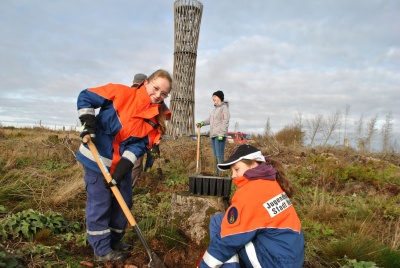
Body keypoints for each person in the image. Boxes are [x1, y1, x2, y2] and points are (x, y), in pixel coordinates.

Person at [76, 69, 172, 262]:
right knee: (100, 203)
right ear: (146, 83)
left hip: (121, 164)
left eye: (163, 94)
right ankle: (102, 251)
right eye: (156, 89)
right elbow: (85, 96)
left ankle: (113, 240)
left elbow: (139, 145)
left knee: (124, 202)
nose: (158, 95)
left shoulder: (155, 118)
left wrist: (124, 166)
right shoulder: (120, 93)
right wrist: (88, 122)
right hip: (98, 159)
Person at [199, 144, 304, 268]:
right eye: (231, 170)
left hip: (275, 263)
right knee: (220, 221)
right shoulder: (270, 183)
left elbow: (227, 240)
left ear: (254, 165)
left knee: (226, 233)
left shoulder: (250, 193)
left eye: (237, 169)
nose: (233, 175)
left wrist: (204, 266)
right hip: (290, 259)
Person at [131, 73, 171, 188]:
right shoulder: (133, 95)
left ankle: (141, 177)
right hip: (140, 136)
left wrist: (157, 137)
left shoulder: (156, 101)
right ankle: (130, 187)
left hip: (145, 136)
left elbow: (161, 118)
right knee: (136, 163)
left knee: (141, 160)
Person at [196, 91, 230, 175]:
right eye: (212, 97)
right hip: (213, 135)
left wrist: (222, 134)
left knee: (219, 156)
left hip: (219, 135)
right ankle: (217, 173)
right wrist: (202, 123)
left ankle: (221, 174)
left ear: (220, 97)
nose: (213, 98)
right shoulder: (215, 109)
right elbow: (209, 119)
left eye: (215, 96)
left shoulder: (224, 108)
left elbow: (225, 121)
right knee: (215, 156)